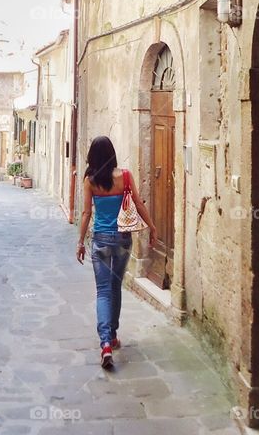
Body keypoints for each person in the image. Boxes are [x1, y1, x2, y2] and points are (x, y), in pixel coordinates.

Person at [76, 135, 157, 369]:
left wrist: (81, 241)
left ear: (92, 156)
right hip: (122, 239)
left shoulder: (90, 180)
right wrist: (151, 227)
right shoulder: (126, 177)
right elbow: (139, 204)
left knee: (103, 292)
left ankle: (105, 345)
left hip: (100, 239)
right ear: (112, 154)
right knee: (115, 287)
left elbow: (86, 214)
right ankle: (112, 335)